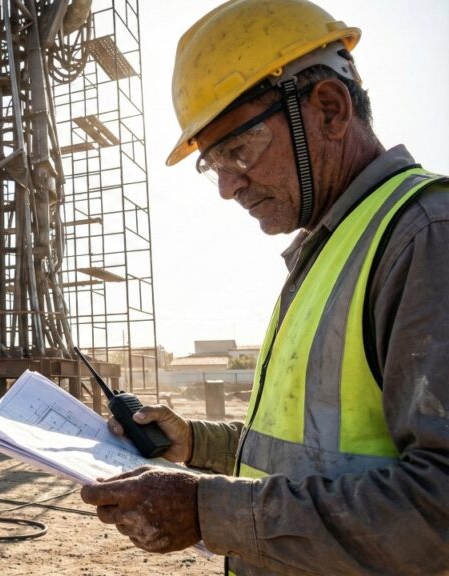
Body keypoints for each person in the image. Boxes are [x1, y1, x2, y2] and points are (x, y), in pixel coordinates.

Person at [80, 1, 449, 574]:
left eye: (238, 149)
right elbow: (320, 452)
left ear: (329, 109)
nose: (227, 186)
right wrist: (196, 443)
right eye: (213, 163)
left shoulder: (425, 237)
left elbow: (439, 506)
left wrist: (210, 512)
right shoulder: (333, 247)